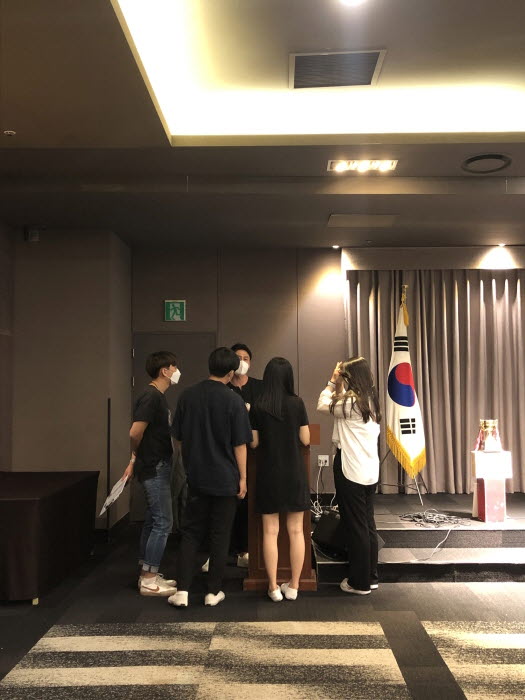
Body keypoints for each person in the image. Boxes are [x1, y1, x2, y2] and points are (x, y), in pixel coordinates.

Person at [169, 347, 253, 608]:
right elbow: (240, 444)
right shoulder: (234, 401)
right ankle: (212, 592)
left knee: (191, 533)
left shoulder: (188, 395)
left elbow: (178, 438)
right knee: (220, 535)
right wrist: (243, 478)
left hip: (196, 476)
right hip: (225, 478)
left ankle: (182, 590)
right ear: (230, 372)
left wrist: (189, 460)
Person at [317, 357, 381, 596]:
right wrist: (340, 384)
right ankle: (371, 577)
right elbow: (340, 401)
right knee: (368, 524)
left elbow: (322, 405)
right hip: (369, 470)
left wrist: (331, 381)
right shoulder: (369, 400)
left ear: (350, 377)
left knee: (356, 527)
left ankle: (359, 582)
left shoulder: (350, 402)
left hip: (351, 470)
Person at [250, 357, 310, 602]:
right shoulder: (297, 403)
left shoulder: (258, 405)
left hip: (268, 474)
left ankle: (273, 587)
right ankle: (294, 586)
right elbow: (306, 439)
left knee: (269, 532)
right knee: (296, 531)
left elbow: (254, 442)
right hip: (294, 473)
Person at [122, 351, 181, 597]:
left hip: (156, 463)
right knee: (163, 521)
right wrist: (136, 456)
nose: (177, 371)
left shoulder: (157, 396)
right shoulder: (151, 396)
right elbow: (135, 433)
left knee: (153, 519)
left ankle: (148, 572)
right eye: (174, 367)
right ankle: (148, 579)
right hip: (154, 465)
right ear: (164, 371)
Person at [228, 342, 264, 568]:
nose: (242, 362)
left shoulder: (260, 387)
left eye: (246, 358)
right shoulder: (224, 388)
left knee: (249, 503)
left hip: (255, 453)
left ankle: (245, 549)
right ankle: (221, 551)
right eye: (237, 358)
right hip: (228, 453)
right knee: (227, 503)